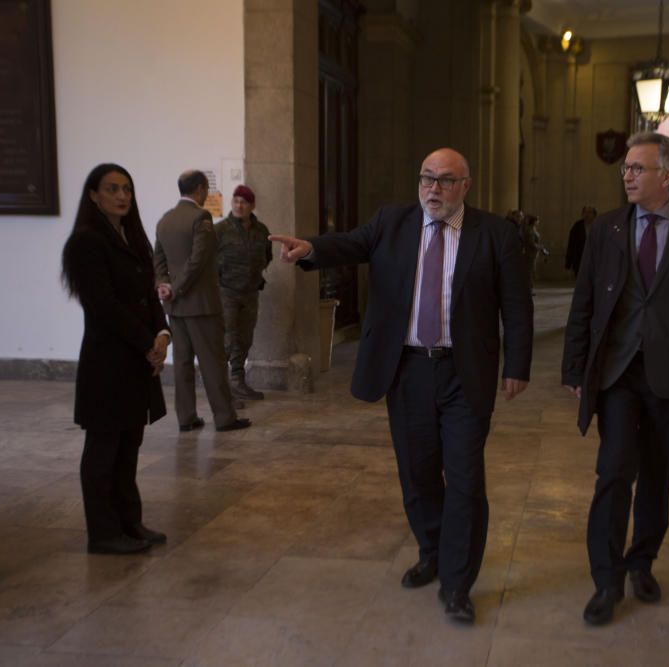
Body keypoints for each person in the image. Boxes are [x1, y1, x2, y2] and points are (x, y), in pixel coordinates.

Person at [270, 147, 533, 624]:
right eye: (427, 177)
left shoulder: (495, 234)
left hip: (464, 372)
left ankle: (457, 583)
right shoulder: (392, 222)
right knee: (418, 474)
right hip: (407, 370)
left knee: (466, 480)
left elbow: (516, 305)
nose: (434, 188)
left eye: (446, 180)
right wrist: (311, 249)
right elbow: (351, 244)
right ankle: (432, 550)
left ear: (466, 186)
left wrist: (517, 364)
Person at [561, 132, 669, 626]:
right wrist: (575, 366)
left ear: (667, 176)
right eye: (626, 169)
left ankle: (643, 562)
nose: (628, 176)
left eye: (638, 168)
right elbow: (584, 302)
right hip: (617, 373)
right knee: (613, 473)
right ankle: (607, 580)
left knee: (657, 477)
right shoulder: (607, 230)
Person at [61, 163, 170, 554]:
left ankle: (130, 523)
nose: (122, 195)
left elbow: (150, 293)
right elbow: (105, 307)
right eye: (112, 189)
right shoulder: (87, 242)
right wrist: (147, 343)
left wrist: (162, 334)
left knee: (128, 447)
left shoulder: (134, 238)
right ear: (94, 195)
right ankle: (104, 533)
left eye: (126, 188)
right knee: (104, 450)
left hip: (137, 360)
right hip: (108, 362)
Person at [154, 170, 251, 433]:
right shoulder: (200, 217)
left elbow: (159, 260)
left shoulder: (165, 220)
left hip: (175, 308)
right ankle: (224, 417)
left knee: (182, 364)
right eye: (206, 188)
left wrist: (165, 286)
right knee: (212, 363)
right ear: (199, 189)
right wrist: (177, 288)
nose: (206, 193)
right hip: (202, 305)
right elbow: (198, 261)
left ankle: (186, 417)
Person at [215, 184, 272, 400]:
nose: (239, 205)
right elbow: (207, 259)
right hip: (226, 293)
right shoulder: (220, 230)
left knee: (244, 339)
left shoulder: (261, 231)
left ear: (252, 205)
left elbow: (267, 255)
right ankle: (222, 392)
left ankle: (238, 382)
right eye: (236, 200)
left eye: (244, 202)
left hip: (250, 293)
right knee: (226, 341)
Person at [565, 205, 597, 278]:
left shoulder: (599, 226)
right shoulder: (577, 227)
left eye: (589, 212)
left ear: (594, 214)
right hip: (580, 259)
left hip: (594, 259)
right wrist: (568, 264)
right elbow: (571, 245)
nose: (587, 215)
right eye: (585, 212)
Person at [521, 213, 550, 291]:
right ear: (534, 221)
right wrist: (541, 248)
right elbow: (531, 243)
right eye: (537, 220)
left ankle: (529, 287)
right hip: (530, 253)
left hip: (533, 253)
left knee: (531, 271)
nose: (538, 221)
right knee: (530, 271)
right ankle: (528, 288)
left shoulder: (533, 229)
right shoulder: (530, 230)